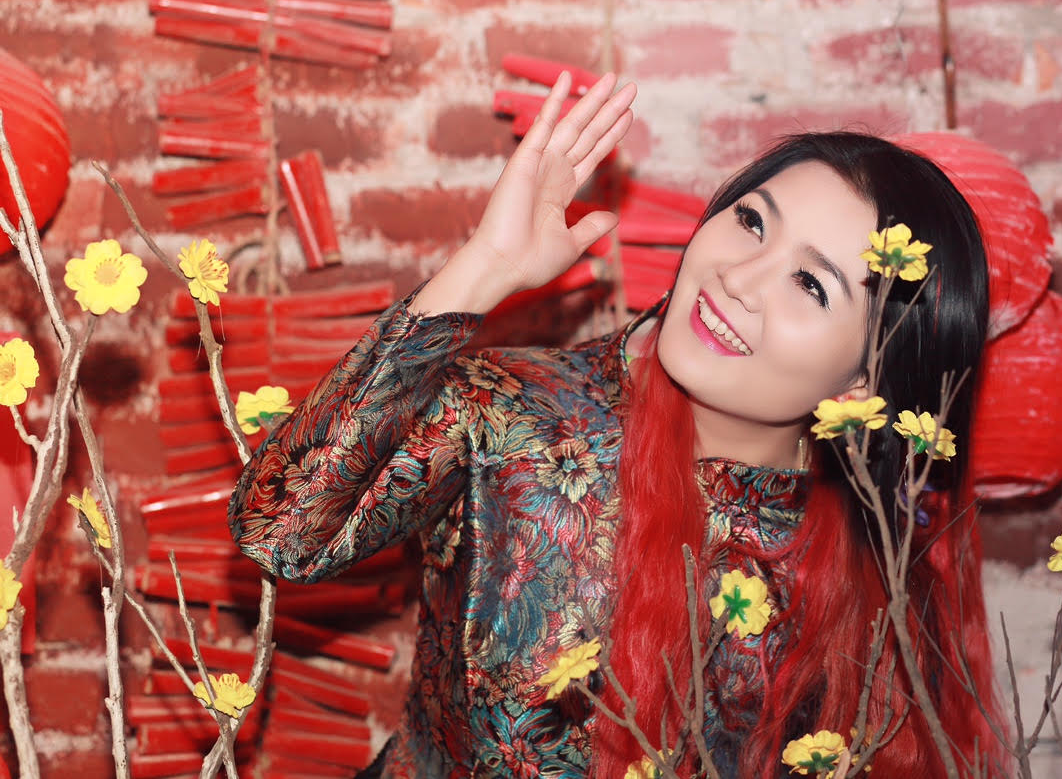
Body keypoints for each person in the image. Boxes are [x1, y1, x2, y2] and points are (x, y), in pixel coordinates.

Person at [228, 71, 1003, 778]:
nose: (738, 278)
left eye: (810, 283)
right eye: (750, 222)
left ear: (868, 377)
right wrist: (484, 266)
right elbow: (282, 533)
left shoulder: (872, 563)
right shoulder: (519, 415)